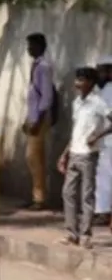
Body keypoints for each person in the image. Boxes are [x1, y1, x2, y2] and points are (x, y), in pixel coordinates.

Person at [58, 67, 112, 248]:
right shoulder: (77, 103)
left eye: (81, 80)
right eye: (77, 80)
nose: (77, 84)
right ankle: (71, 233)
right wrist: (64, 154)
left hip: (89, 155)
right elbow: (76, 131)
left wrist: (96, 136)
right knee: (68, 193)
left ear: (90, 82)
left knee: (87, 195)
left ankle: (86, 235)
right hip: (74, 152)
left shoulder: (98, 103)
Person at [23, 32, 56, 210]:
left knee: (33, 157)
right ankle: (37, 195)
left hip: (40, 118)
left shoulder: (44, 66)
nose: (29, 49)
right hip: (33, 116)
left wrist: (38, 121)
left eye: (32, 46)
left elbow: (46, 97)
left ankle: (39, 197)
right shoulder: (35, 65)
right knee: (36, 158)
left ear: (41, 46)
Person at [95, 56, 112, 227]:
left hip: (108, 140)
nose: (98, 74)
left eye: (102, 71)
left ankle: (103, 212)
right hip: (106, 141)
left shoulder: (108, 90)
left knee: (105, 177)